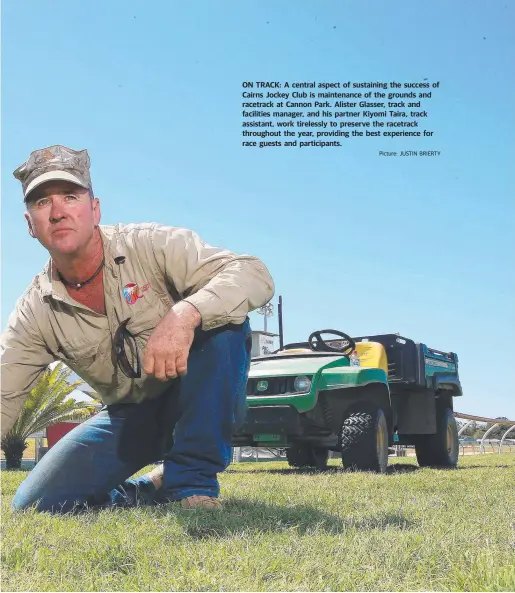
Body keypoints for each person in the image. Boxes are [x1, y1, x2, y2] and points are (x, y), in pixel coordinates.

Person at [1, 144, 274, 513]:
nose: (58, 212)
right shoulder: (35, 311)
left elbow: (252, 272)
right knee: (34, 504)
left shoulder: (151, 245)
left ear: (94, 210)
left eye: (70, 196)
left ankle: (192, 482)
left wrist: (185, 313)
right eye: (42, 203)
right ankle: (147, 488)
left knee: (225, 321)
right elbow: (4, 394)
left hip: (199, 399)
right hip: (131, 419)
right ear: (30, 224)